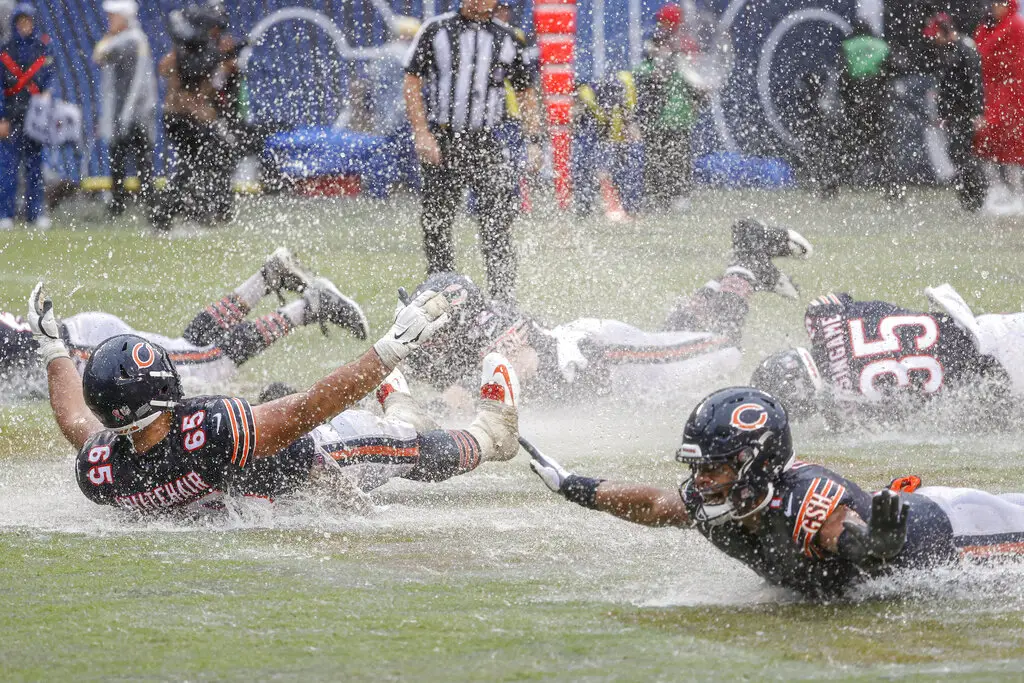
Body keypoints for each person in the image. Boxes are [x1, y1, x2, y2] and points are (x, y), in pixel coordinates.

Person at [26, 275, 518, 514]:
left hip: (267, 492)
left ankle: (405, 411)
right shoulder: (207, 430)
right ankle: (493, 435)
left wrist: (53, 349)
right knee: (406, 450)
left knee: (398, 432)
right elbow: (310, 409)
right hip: (306, 465)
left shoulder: (104, 465)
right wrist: (387, 352)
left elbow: (74, 420)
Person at [527, 386, 1024, 599]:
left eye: (715, 468)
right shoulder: (727, 501)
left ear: (756, 462)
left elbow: (843, 533)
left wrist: (870, 547)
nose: (701, 481)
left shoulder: (806, 500)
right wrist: (576, 487)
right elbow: (655, 504)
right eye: (699, 467)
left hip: (957, 530)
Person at [402, 219, 812, 406]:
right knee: (667, 340)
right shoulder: (451, 341)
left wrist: (452, 400)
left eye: (430, 318)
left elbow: (516, 370)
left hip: (610, 357)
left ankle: (747, 257)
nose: (421, 330)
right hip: (605, 357)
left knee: (725, 351)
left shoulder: (495, 331)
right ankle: (723, 283)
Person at [1, 248, 369, 398]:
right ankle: (267, 277)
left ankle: (308, 307)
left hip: (86, 351)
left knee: (208, 366)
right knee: (190, 349)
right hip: (86, 340)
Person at [403, 0, 543, 303]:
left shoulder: (507, 37)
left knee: (497, 223)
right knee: (436, 222)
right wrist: (422, 132)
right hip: (445, 139)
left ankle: (502, 301)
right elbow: (412, 80)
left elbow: (526, 91)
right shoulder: (437, 30)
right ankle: (439, 297)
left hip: (485, 142)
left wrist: (533, 140)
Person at [750, 284, 1021, 428]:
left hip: (995, 390)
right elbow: (842, 300)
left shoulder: (845, 417)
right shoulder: (821, 317)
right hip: (986, 331)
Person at [151, 3, 233, 230]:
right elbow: (170, 75)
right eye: (214, 27)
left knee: (204, 162)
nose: (217, 32)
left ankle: (197, 209)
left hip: (189, 118)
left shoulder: (207, 51)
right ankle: (167, 212)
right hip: (181, 118)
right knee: (194, 164)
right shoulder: (187, 50)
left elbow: (207, 89)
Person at [635, 3, 705, 213]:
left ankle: (679, 196)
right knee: (655, 155)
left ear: (674, 23)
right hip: (658, 112)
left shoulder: (686, 45)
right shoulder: (655, 42)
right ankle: (655, 195)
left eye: (664, 21)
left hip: (678, 113)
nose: (660, 25)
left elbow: (696, 79)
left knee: (678, 157)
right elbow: (645, 68)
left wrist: (697, 99)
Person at [92, 0, 157, 218]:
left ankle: (146, 207)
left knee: (141, 161)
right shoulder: (127, 39)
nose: (110, 20)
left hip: (136, 113)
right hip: (124, 112)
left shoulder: (132, 40)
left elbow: (99, 55)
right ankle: (120, 205)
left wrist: (127, 113)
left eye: (114, 16)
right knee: (121, 160)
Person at [923, 12, 987, 212]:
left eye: (936, 35)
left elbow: (975, 83)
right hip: (953, 114)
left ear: (946, 30)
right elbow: (945, 85)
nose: (935, 40)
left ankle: (977, 195)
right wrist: (942, 111)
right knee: (956, 153)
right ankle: (969, 197)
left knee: (962, 153)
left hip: (966, 112)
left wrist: (977, 113)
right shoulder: (946, 50)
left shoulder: (966, 48)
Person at [0, 3, 51, 230]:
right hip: (11, 115)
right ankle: (5, 214)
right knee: (8, 167)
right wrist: (1, 117)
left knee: (34, 167)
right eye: (20, 21)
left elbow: (48, 80)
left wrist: (48, 97)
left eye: (28, 21)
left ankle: (35, 213)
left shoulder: (42, 49)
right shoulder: (5, 51)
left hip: (35, 116)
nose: (24, 26)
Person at [836, 20, 900, 199]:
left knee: (847, 147)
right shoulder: (881, 45)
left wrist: (849, 102)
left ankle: (833, 187)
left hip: (856, 104)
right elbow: (894, 70)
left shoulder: (847, 46)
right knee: (885, 150)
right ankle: (893, 190)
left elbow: (842, 78)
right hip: (878, 104)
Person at [573, 70, 644, 219]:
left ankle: (629, 207)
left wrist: (628, 126)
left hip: (611, 127)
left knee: (625, 167)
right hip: (596, 128)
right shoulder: (588, 98)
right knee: (588, 167)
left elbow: (627, 120)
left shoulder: (626, 96)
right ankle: (585, 208)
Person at [973, 0, 1024, 207]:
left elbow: (1016, 64)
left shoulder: (1015, 26)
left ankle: (1016, 193)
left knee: (1010, 146)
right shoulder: (989, 26)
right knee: (986, 142)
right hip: (991, 94)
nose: (995, 7)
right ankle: (997, 189)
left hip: (1011, 96)